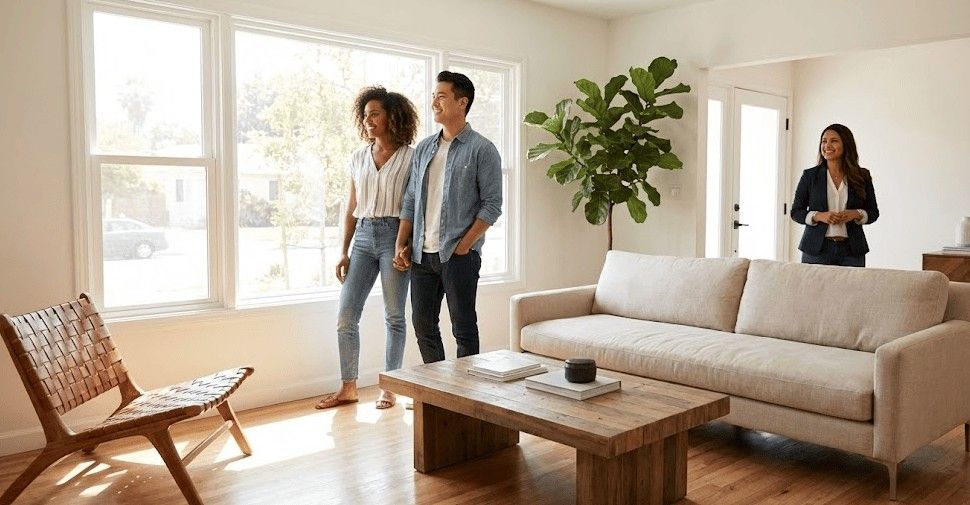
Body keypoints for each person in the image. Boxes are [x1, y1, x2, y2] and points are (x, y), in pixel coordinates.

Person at [315, 86, 418, 410]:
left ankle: (389, 386)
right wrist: (343, 250)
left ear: (392, 116)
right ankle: (348, 387)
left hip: (394, 237)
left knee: (394, 316)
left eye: (375, 113)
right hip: (362, 237)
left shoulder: (411, 157)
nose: (368, 119)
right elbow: (350, 206)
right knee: (346, 317)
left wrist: (405, 245)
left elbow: (414, 206)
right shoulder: (358, 157)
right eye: (365, 114)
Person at [394, 71, 502, 364]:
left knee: (463, 329)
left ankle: (465, 400)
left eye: (441, 96)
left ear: (462, 102)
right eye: (433, 96)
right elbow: (411, 198)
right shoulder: (425, 148)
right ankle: (438, 394)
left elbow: (492, 206)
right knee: (423, 326)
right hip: (421, 256)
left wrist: (464, 245)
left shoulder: (483, 149)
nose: (434, 102)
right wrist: (402, 242)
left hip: (458, 256)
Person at [790, 123, 879, 267]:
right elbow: (796, 212)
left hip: (852, 251)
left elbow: (873, 213)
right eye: (824, 141)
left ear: (846, 144)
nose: (827, 145)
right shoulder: (810, 176)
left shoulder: (862, 176)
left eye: (834, 141)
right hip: (816, 251)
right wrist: (818, 216)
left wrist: (856, 214)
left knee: (852, 290)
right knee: (815, 290)